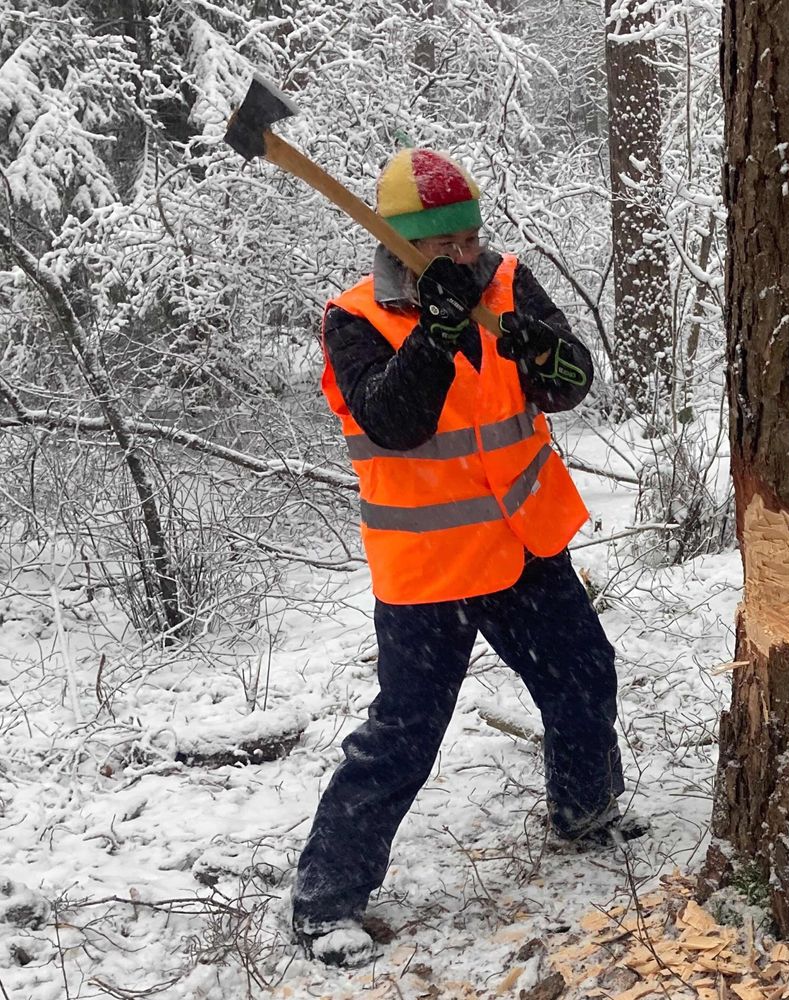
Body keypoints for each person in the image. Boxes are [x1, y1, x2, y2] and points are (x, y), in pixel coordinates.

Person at [292, 148, 634, 967]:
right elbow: (392, 419)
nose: (466, 256)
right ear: (403, 245)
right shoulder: (356, 319)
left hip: (521, 543)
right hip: (429, 569)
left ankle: (586, 811)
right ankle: (326, 899)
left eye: (471, 239)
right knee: (407, 732)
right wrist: (437, 338)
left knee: (584, 675)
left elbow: (567, 381)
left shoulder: (508, 283)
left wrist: (552, 361)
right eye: (446, 246)